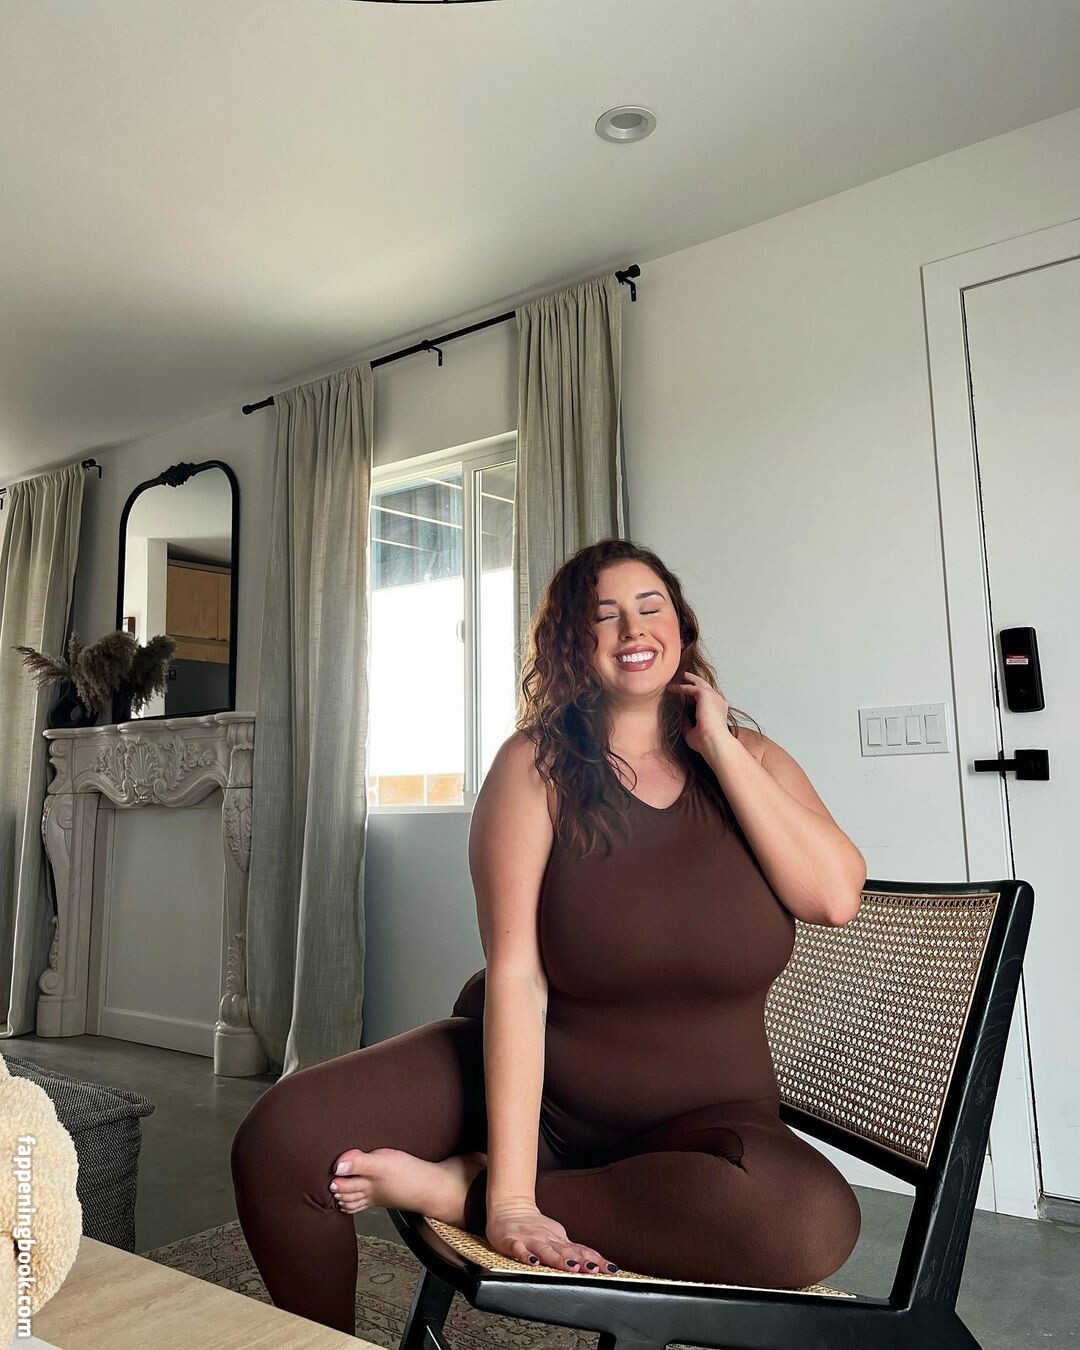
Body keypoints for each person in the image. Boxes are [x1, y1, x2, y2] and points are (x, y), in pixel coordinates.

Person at [230, 539, 866, 1334]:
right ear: (572, 643)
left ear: (681, 625)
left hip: (705, 1120)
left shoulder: (752, 760)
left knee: (805, 1226)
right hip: (543, 1096)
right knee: (281, 1141)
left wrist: (719, 747)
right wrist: (511, 1201)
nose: (632, 629)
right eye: (605, 615)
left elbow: (833, 897)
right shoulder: (536, 768)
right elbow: (516, 977)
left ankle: (453, 1190)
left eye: (650, 607)